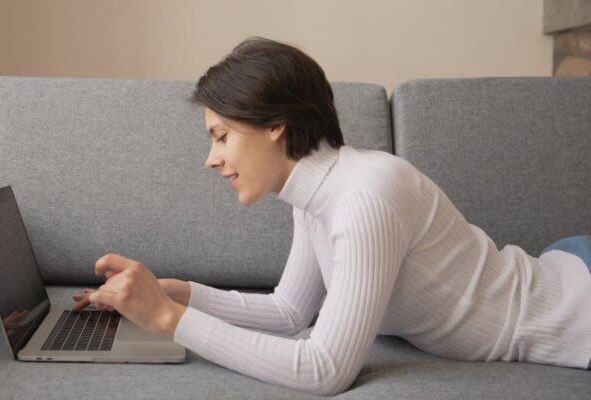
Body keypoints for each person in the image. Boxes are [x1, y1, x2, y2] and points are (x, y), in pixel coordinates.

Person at [72, 37, 591, 396]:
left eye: (221, 136)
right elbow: (289, 312)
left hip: (574, 306)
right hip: (560, 263)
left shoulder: (365, 195)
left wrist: (167, 320)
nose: (211, 158)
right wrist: (177, 292)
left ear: (276, 124)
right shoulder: (316, 195)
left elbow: (325, 370)